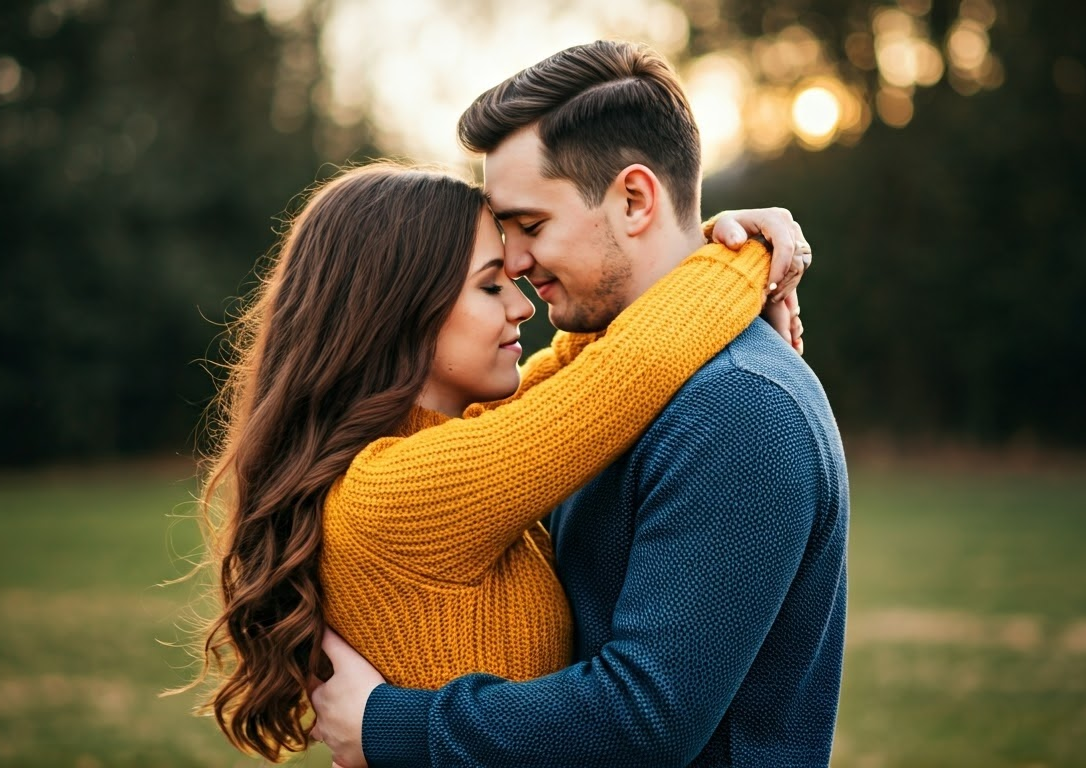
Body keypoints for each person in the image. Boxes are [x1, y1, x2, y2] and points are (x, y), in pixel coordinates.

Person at [310, 41, 849, 768]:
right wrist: (735, 258)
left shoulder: (738, 408)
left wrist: (393, 726)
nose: (517, 264)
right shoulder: (601, 384)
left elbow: (644, 717)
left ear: (634, 200)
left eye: (531, 226)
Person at [188, 159, 809, 761]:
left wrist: (694, 247)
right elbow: (634, 365)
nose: (522, 306)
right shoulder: (401, 491)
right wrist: (749, 257)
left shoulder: (451, 445)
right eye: (491, 286)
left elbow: (590, 353)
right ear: (400, 313)